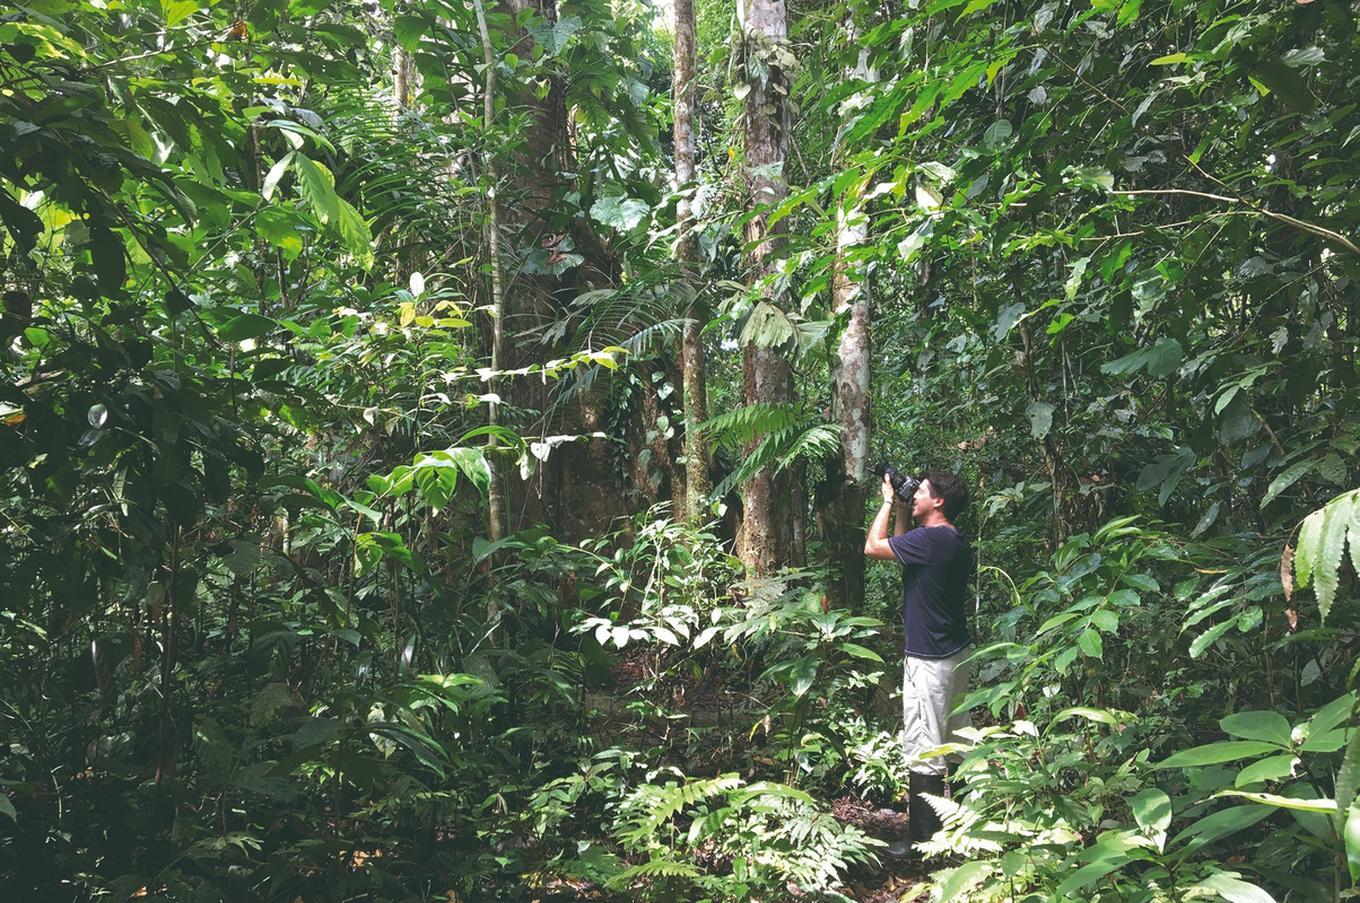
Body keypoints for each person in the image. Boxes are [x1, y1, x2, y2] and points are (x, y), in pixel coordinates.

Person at [863, 469, 973, 856]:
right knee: (960, 742)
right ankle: (960, 832)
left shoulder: (932, 540)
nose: (916, 495)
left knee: (925, 747)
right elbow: (904, 544)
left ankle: (923, 841)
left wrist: (890, 500)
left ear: (939, 501)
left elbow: (874, 546)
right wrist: (906, 509)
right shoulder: (951, 540)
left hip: (929, 660)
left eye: (922, 492)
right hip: (956, 655)